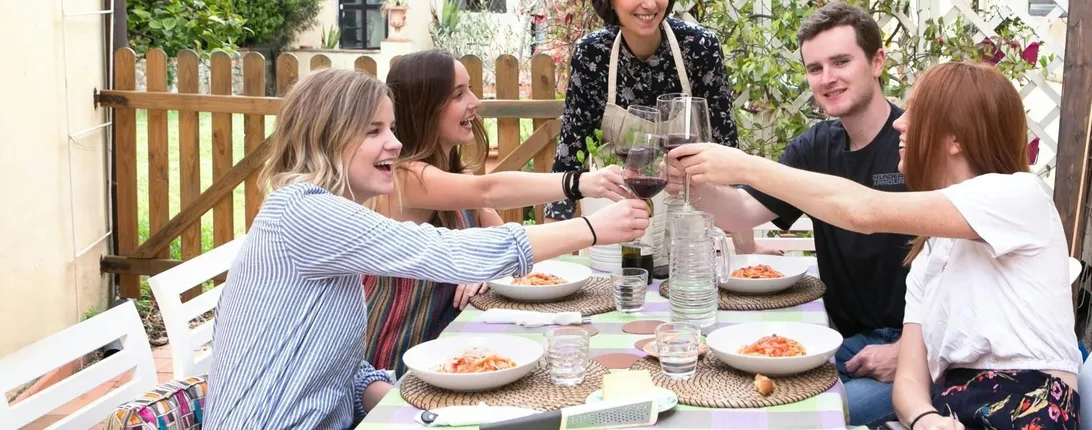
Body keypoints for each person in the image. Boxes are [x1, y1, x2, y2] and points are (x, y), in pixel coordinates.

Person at [202, 68, 650, 429]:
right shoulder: (304, 213)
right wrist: (590, 228)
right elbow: (442, 253)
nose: (395, 143)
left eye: (392, 127)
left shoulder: (326, 217)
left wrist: (416, 407)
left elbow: (341, 370)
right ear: (326, 136)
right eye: (374, 130)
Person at [668, 61, 1081, 430]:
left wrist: (744, 166)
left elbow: (862, 211)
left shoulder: (1017, 196)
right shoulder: (931, 250)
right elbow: (910, 382)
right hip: (947, 409)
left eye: (917, 114)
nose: (901, 124)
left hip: (1024, 407)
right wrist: (924, 419)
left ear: (955, 137)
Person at [664, 2, 912, 426]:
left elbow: (964, 273)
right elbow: (743, 213)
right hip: (841, 339)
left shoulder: (914, 144)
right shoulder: (815, 146)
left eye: (840, 62)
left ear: (877, 62)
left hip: (916, 349)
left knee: (797, 415)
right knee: (724, 384)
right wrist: (693, 185)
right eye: (815, 68)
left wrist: (908, 351)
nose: (827, 78)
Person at [362, 49, 632, 376]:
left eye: (470, 90)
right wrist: (582, 186)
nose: (475, 102)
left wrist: (483, 269)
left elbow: (505, 244)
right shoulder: (405, 178)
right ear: (424, 107)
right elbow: (488, 190)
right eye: (458, 95)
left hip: (448, 347)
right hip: (398, 349)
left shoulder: (456, 177)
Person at [544, 0, 766, 254]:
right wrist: (550, 258)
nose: (649, 4)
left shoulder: (699, 46)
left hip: (687, 228)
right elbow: (569, 154)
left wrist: (747, 248)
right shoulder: (592, 53)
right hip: (615, 230)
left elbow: (726, 150)